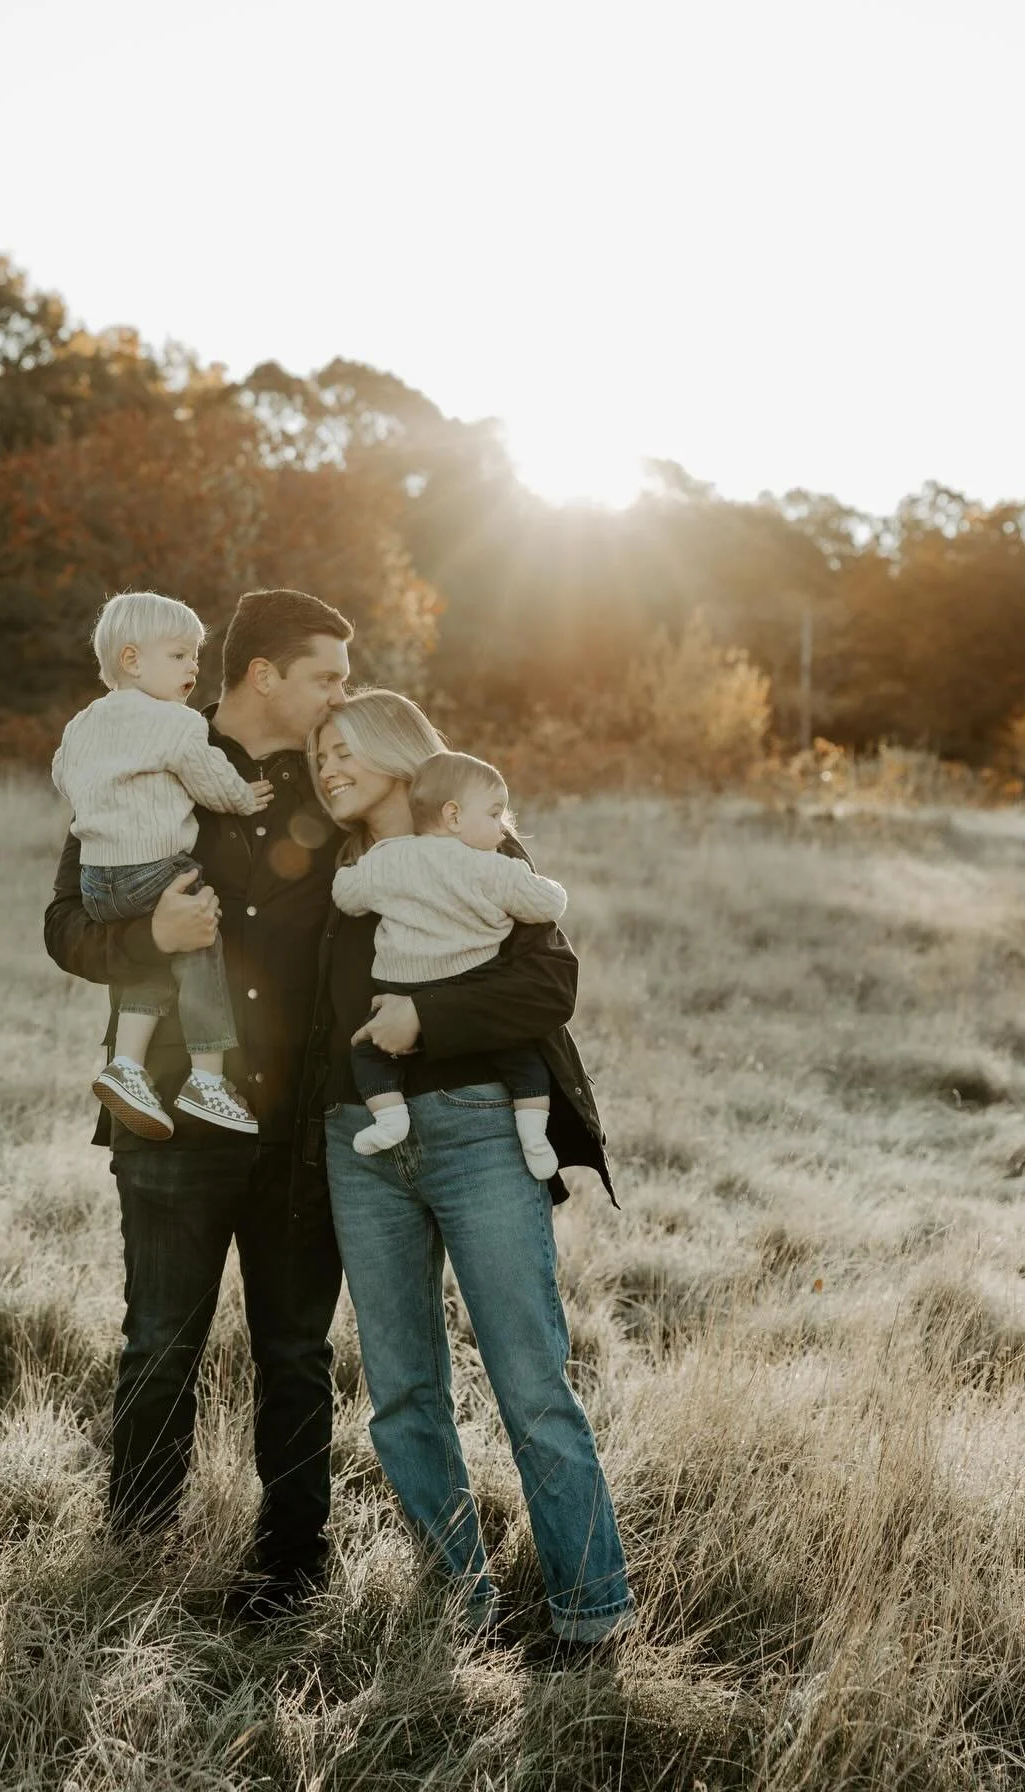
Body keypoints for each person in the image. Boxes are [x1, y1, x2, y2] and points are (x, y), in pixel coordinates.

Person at [44, 587, 355, 1618]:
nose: (341, 697)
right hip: (170, 1108)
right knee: (160, 1344)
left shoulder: (339, 775)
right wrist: (150, 940)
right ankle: (135, 1562)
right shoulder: (143, 743)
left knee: (297, 1354)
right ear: (262, 674)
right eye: (326, 676)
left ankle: (291, 1569)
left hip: (302, 1119)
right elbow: (67, 922)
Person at [306, 689, 634, 1652]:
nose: (328, 769)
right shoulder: (339, 873)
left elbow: (549, 983)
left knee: (530, 1380)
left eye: (344, 750)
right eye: (318, 755)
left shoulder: (482, 845)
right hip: (358, 1141)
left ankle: (591, 1615)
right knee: (402, 1392)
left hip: (478, 1130)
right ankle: (460, 1605)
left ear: (399, 752)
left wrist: (427, 1020)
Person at [52, 590, 274, 1139]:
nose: (193, 668)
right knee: (198, 936)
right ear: (132, 660)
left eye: (195, 656)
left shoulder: (82, 723)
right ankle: (207, 1077)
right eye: (178, 655)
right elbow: (209, 777)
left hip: (98, 881)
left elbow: (62, 774)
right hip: (152, 868)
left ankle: (127, 1065)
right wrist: (244, 798)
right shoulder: (176, 722)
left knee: (155, 953)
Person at [332, 749, 567, 1180]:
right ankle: (533, 1133)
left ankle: (390, 1117)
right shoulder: (494, 869)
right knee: (522, 1055)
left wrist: (349, 872)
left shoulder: (388, 858)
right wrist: (541, 880)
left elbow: (346, 896)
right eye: (495, 814)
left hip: (400, 984)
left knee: (367, 1052)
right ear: (454, 815)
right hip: (472, 978)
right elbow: (549, 904)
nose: (503, 827)